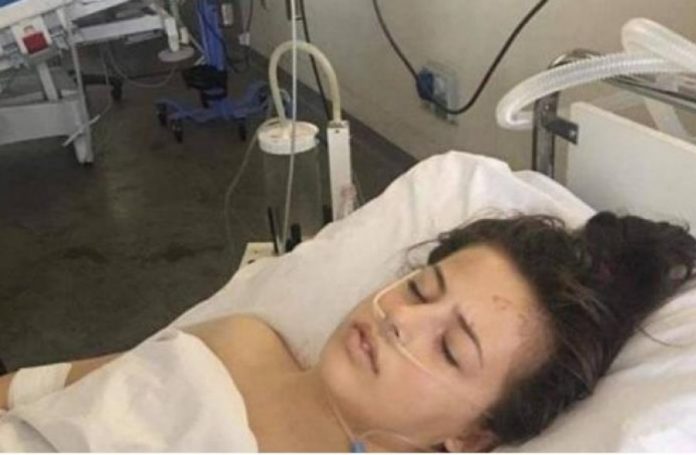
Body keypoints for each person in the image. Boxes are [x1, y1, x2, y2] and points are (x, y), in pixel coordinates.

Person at [0, 212, 694, 452]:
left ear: (475, 435)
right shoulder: (244, 340)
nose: (400, 320)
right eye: (420, 288)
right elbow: (31, 391)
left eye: (451, 348)